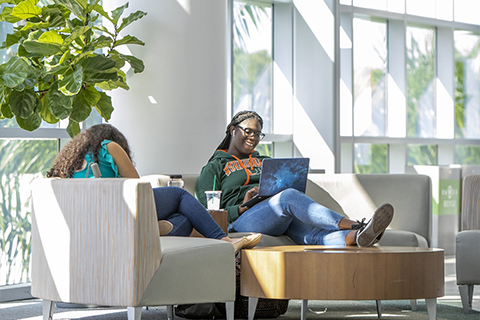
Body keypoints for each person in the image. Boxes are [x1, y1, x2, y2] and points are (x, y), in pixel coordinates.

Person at [46, 123, 261, 253]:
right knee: (178, 194)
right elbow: (139, 189)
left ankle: (152, 228)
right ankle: (223, 240)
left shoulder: (68, 165)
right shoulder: (108, 146)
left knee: (184, 221)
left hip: (93, 224)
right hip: (117, 212)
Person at [195, 111, 394, 247]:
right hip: (241, 221)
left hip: (276, 213)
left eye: (258, 134)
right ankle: (356, 225)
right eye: (248, 131)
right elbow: (205, 212)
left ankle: (360, 237)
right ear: (233, 130)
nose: (253, 138)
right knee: (288, 196)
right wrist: (240, 208)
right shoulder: (215, 167)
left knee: (313, 234)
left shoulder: (264, 161)